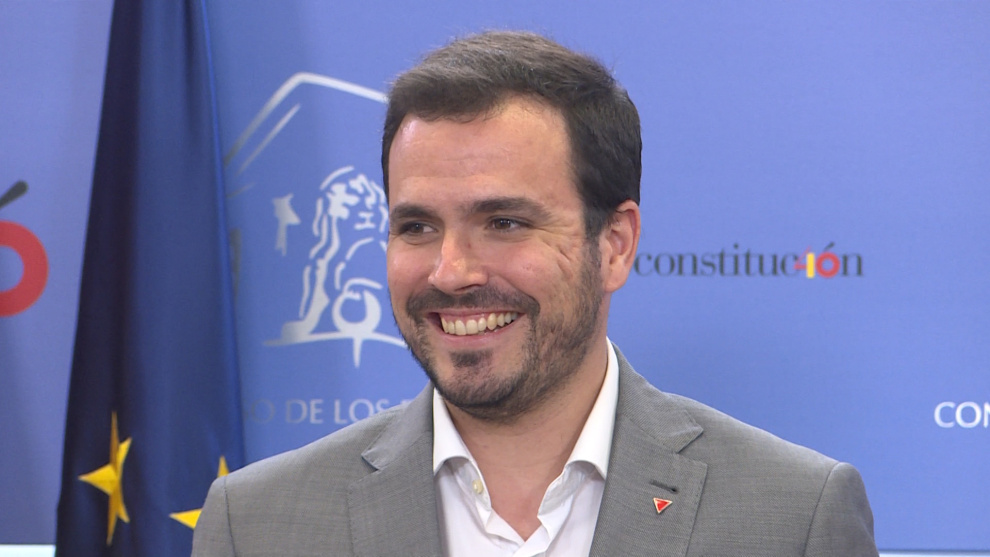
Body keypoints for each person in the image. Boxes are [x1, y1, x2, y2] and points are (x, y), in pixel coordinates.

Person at [193, 31, 878, 556]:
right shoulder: (255, 525)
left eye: (505, 223)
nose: (450, 271)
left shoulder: (793, 517)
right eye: (417, 226)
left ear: (614, 244)